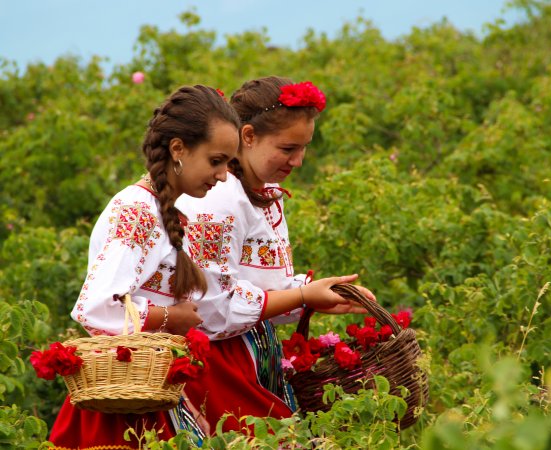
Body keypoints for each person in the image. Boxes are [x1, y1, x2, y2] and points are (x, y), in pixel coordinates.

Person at [176, 76, 375, 435]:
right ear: (247, 137)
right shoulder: (220, 200)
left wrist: (320, 297)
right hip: (217, 364)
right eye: (287, 149)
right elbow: (211, 310)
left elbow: (264, 287)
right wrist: (301, 296)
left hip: (250, 353)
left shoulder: (266, 193)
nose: (298, 161)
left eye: (304, 148)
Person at [48, 85, 241, 449]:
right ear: (178, 150)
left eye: (228, 164)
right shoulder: (136, 210)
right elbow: (96, 308)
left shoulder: (165, 210)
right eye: (216, 161)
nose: (223, 175)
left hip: (147, 390)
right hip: (121, 400)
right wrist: (170, 318)